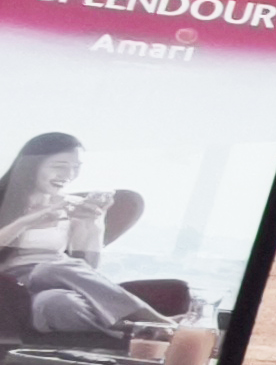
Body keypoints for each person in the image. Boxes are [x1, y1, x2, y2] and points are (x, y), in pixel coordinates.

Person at [0, 132, 166, 345]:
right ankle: (155, 322)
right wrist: (26, 221)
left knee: (57, 303)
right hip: (11, 288)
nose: (68, 175)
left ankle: (141, 336)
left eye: (75, 167)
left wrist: (93, 223)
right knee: (49, 269)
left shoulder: (70, 205)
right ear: (31, 165)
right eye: (60, 166)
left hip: (55, 283)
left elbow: (86, 267)